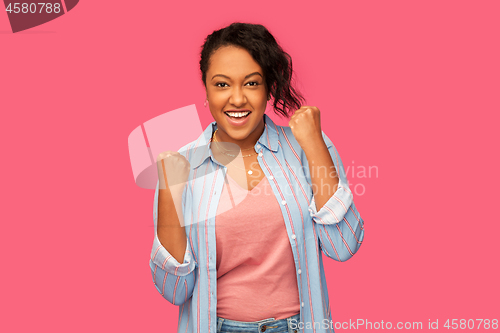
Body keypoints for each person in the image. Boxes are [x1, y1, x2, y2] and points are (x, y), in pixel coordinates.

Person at [150, 22, 364, 333]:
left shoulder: (307, 147)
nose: (236, 100)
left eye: (251, 83)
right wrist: (170, 191)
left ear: (268, 88)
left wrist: (315, 145)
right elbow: (175, 290)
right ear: (206, 89)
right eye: (222, 85)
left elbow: (342, 245)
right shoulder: (183, 166)